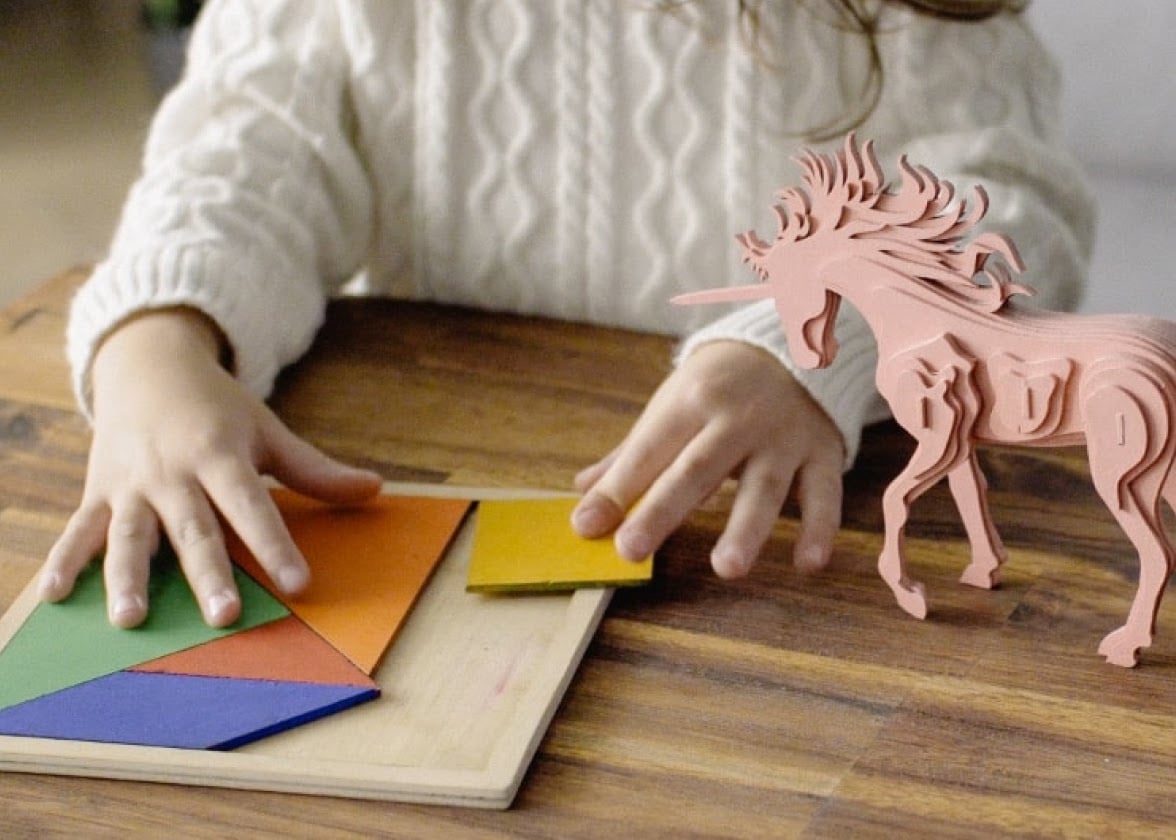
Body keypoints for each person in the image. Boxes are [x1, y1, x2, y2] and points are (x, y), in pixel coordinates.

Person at [40, 0, 1094, 629]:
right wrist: (159, 339)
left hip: (791, 559)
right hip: (423, 491)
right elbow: (251, 147)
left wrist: (824, 334)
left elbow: (1007, 204)